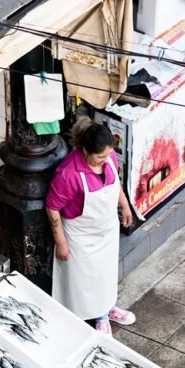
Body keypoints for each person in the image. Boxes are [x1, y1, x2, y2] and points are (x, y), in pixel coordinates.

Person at [46, 118, 136, 332]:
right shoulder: (68, 174)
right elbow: (52, 207)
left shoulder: (109, 157)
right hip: (81, 238)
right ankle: (99, 318)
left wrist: (125, 205)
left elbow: (115, 184)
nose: (106, 160)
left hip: (107, 231)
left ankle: (108, 308)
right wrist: (61, 243)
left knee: (106, 276)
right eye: (100, 157)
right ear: (85, 151)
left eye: (108, 155)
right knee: (86, 283)